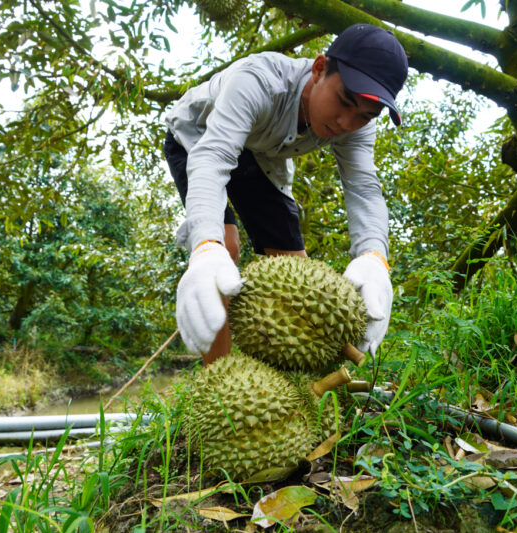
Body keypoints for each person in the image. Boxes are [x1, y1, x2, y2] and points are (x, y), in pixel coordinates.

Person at [163, 24, 409, 364]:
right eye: (344, 101)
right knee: (224, 248)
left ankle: (313, 379)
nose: (345, 122)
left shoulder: (357, 123)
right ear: (320, 68)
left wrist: (374, 257)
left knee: (299, 275)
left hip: (263, 160)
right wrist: (205, 245)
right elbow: (214, 156)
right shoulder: (259, 81)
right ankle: (218, 379)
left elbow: (364, 188)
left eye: (364, 116)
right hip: (198, 139)